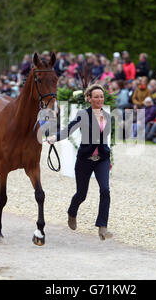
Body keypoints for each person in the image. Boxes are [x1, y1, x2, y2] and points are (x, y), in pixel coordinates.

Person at [47, 84, 113, 241]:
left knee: (105, 190)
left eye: (101, 96)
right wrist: (55, 137)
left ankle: (102, 227)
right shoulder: (83, 114)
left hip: (102, 159)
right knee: (81, 194)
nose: (99, 99)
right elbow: (69, 129)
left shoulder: (108, 116)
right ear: (89, 99)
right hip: (85, 159)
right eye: (96, 96)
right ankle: (72, 212)